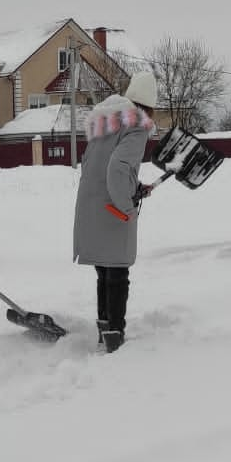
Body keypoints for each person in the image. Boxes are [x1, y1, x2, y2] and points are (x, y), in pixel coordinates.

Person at [74, 71, 159, 353]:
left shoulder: (107, 124)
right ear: (149, 106)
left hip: (92, 204)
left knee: (104, 269)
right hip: (113, 208)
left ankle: (104, 329)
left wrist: (135, 186)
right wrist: (127, 204)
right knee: (118, 270)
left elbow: (100, 166)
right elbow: (118, 168)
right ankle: (115, 335)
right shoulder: (137, 126)